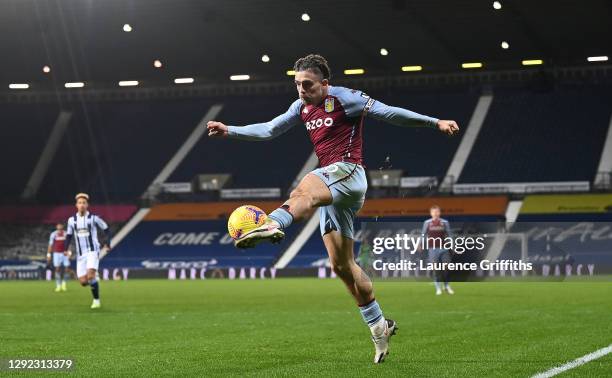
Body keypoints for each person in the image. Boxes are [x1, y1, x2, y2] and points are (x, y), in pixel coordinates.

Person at [207, 54, 459, 363]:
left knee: (303, 189)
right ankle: (379, 325)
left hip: (349, 173)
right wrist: (230, 130)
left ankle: (273, 222)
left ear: (325, 84)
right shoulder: (300, 107)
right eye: (297, 84)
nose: (302, 90)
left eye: (308, 85)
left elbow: (389, 113)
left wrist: (435, 122)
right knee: (341, 266)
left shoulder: (347, 98)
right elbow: (270, 129)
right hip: (334, 187)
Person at [64, 193, 112, 309]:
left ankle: (96, 300)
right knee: (83, 282)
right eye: (79, 203)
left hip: (92, 251)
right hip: (81, 254)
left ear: (87, 205)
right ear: (76, 205)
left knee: (90, 276)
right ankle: (94, 277)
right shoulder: (71, 220)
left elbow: (106, 229)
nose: (81, 205)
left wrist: (107, 243)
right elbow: (69, 236)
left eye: (84, 203)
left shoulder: (93, 218)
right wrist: (66, 249)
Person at [421, 205, 454, 295]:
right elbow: (423, 234)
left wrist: (453, 244)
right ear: (431, 213)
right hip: (433, 249)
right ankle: (438, 288)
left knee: (446, 268)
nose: (435, 213)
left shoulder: (444, 222)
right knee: (436, 269)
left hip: (444, 248)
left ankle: (447, 286)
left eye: (437, 212)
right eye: (433, 212)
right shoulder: (427, 223)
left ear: (439, 213)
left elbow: (449, 234)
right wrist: (420, 244)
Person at [46, 223, 72, 292]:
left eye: (61, 228)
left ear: (62, 227)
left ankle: (64, 283)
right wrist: (48, 254)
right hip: (56, 253)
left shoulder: (66, 234)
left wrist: (69, 253)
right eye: (58, 228)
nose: (59, 229)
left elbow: (68, 244)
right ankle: (58, 285)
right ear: (56, 227)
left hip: (65, 253)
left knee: (67, 269)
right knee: (57, 269)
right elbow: (50, 245)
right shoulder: (53, 234)